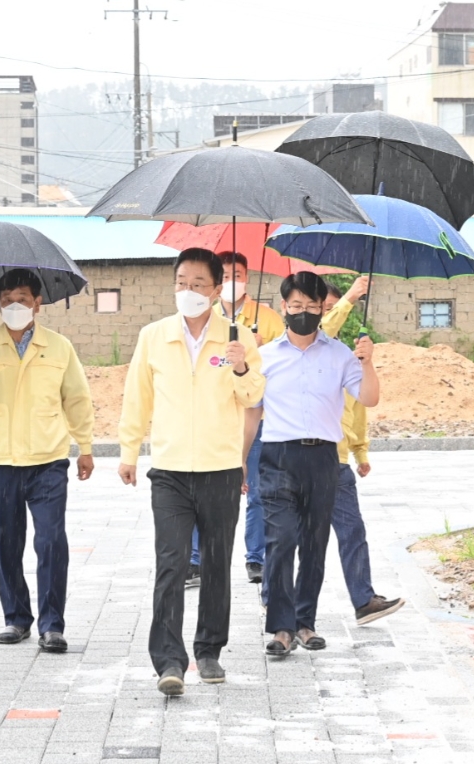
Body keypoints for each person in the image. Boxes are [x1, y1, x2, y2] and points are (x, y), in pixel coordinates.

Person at [118, 247, 265, 695]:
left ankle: (209, 650)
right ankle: (169, 660)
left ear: (218, 290)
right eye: (182, 282)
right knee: (172, 562)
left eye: (198, 284)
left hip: (221, 468)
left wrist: (240, 365)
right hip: (170, 470)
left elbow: (253, 396)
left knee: (217, 563)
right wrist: (128, 452)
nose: (188, 290)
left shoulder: (238, 338)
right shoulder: (154, 336)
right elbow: (137, 397)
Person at [0, 268, 95, 654]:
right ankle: (16, 618)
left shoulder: (59, 347)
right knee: (5, 542)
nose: (14, 306)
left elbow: (76, 398)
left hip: (48, 460)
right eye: (6, 300)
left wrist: (85, 446)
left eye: (22, 299)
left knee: (51, 541)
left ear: (37, 303)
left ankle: (52, 625)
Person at [247, 271, 379, 658]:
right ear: (283, 307)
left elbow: (369, 398)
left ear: (323, 309)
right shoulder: (265, 356)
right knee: (280, 540)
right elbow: (251, 411)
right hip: (277, 457)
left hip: (323, 458)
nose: (303, 312)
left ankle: (305, 623)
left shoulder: (340, 354)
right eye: (296, 305)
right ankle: (281, 628)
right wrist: (240, 460)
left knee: (313, 544)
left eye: (311, 306)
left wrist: (368, 363)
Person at [187, 252, 285, 588]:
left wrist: (258, 350)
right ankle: (196, 559)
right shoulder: (204, 317)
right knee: (203, 492)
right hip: (216, 419)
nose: (232, 281)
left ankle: (255, 557)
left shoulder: (268, 318)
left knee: (256, 492)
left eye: (238, 275)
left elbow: (281, 360)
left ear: (248, 278)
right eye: (226, 275)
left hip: (256, 419)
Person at [321, 280, 405, 626]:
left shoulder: (346, 357)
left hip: (337, 461)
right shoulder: (303, 353)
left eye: (330, 309)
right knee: (291, 538)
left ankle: (364, 601)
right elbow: (322, 331)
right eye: (322, 309)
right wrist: (351, 296)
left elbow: (358, 408)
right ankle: (277, 604)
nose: (328, 316)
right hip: (300, 459)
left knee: (352, 531)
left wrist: (361, 451)